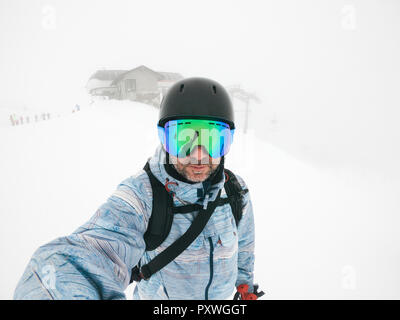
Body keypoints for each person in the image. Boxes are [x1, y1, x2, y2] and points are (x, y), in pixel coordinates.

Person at [14, 77, 262, 300]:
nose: (198, 156)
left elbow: (245, 249)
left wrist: (245, 288)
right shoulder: (142, 195)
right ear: (164, 141)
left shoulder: (235, 191)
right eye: (184, 140)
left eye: (213, 141)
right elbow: (86, 256)